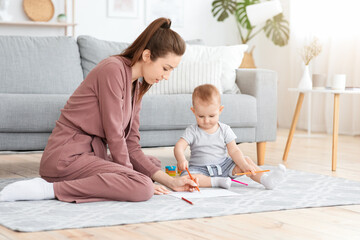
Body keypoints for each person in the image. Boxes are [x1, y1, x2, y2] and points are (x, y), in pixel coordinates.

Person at [0, 17, 199, 203]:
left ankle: (130, 181)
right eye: (166, 68)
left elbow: (131, 144)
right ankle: (49, 189)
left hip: (93, 156)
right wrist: (133, 178)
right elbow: (114, 135)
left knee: (151, 164)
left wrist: (170, 181)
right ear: (147, 55)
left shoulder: (137, 86)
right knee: (143, 185)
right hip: (67, 158)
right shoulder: (112, 69)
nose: (167, 76)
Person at [174, 84, 286, 189]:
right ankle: (217, 182)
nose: (206, 120)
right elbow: (179, 147)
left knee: (246, 160)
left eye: (212, 116)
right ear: (194, 111)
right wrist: (181, 159)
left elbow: (234, 151)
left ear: (220, 110)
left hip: (224, 166)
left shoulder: (225, 129)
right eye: (201, 116)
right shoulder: (192, 131)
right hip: (199, 169)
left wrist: (244, 165)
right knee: (186, 178)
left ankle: (266, 180)